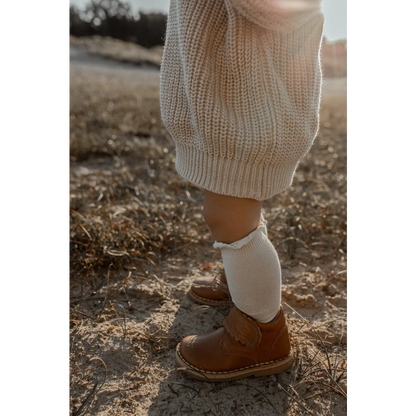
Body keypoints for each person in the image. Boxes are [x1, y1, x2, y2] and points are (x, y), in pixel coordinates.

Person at [159, 0, 324, 381]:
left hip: (245, 109)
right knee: (237, 204)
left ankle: (262, 333)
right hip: (231, 107)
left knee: (227, 216)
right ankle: (243, 280)